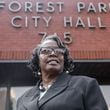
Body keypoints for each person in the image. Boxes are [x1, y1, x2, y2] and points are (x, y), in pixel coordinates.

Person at [17, 34, 108, 110]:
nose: (53, 54)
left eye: (59, 51)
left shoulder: (85, 85)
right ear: (37, 60)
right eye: (46, 50)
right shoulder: (22, 99)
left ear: (64, 60)